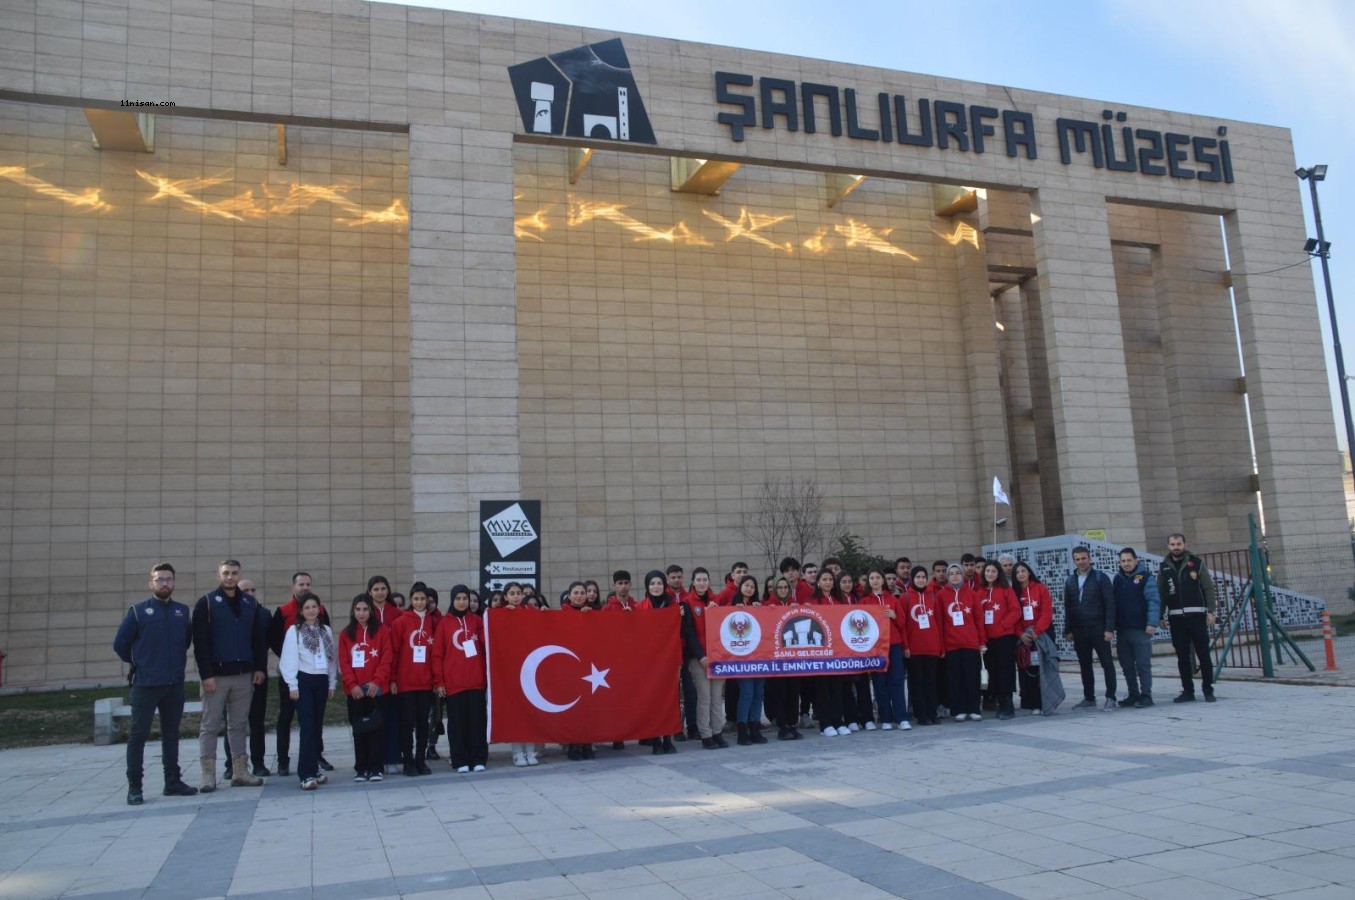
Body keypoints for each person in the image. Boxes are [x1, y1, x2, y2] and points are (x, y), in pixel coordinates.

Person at [113, 563, 199, 805]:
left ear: (174, 582)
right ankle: (135, 787)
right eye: (159, 579)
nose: (164, 583)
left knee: (171, 735)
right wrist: (141, 662)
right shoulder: (139, 612)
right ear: (151, 583)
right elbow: (120, 644)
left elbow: (185, 643)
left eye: (168, 579)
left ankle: (172, 782)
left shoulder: (182, 612)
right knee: (138, 736)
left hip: (173, 684)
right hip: (145, 685)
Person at [192, 559, 267, 793]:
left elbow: (258, 640)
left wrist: (260, 668)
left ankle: (240, 771)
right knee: (210, 725)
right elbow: (200, 643)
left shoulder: (249, 603)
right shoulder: (206, 603)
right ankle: (208, 774)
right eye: (226, 573)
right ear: (218, 575)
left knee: (238, 725)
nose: (230, 577)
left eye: (234, 573)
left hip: (244, 675)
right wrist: (206, 675)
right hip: (216, 676)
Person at [270, 572, 334, 776]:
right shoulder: (293, 629)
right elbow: (287, 657)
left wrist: (332, 682)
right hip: (301, 680)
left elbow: (331, 658)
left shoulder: (325, 631)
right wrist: (292, 684)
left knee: (315, 725)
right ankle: (303, 771)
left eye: (314, 607)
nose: (311, 610)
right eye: (307, 607)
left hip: (321, 680)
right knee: (303, 725)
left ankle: (314, 766)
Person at [338, 592, 393, 782]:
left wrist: (377, 681)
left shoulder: (382, 631)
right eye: (358, 610)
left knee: (377, 729)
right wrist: (352, 685)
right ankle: (361, 768)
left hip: (375, 690)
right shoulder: (346, 634)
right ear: (353, 612)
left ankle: (376, 768)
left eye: (365, 609)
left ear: (371, 611)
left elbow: (387, 658)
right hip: (356, 692)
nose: (361, 613)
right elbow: (344, 663)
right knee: (359, 730)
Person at [434, 584, 488, 772]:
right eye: (458, 598)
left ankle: (478, 758)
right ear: (452, 600)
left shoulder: (477, 621)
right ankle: (460, 760)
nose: (462, 602)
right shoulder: (444, 623)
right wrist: (439, 681)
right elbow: (437, 655)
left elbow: (486, 644)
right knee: (457, 724)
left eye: (465, 598)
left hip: (476, 680)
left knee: (477, 722)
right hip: (453, 683)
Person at [1158, 533, 1218, 703]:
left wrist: (1211, 611)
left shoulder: (1196, 564)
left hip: (1197, 617)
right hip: (1176, 619)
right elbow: (1161, 593)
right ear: (1168, 546)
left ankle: (1208, 690)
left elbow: (1208, 588)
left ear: (1185, 544)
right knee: (1182, 657)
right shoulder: (1164, 567)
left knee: (1203, 655)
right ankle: (1188, 691)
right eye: (1172, 544)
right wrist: (1160, 615)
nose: (1176, 547)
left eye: (1178, 543)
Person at [221, 578, 270, 779]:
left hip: (258, 673)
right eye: (245, 590)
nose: (250, 593)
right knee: (233, 721)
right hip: (233, 674)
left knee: (257, 721)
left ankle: (258, 762)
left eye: (253, 589)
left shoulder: (264, 614)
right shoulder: (227, 613)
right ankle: (231, 764)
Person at [1062, 546, 1118, 710]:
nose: (1081, 562)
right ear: (1074, 561)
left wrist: (1109, 628)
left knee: (1107, 663)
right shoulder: (1070, 580)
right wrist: (1068, 630)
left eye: (1083, 558)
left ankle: (1111, 697)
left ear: (1089, 558)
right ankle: (1089, 697)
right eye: (1077, 559)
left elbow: (1110, 604)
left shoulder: (1101, 577)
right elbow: (1068, 607)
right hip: (1079, 629)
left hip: (1098, 628)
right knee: (1084, 664)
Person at [391, 582, 437, 775]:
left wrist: (436, 680)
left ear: (428, 601)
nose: (419, 602)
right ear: (411, 600)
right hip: (406, 682)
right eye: (416, 599)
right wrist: (393, 679)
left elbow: (437, 653)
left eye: (423, 599)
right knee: (407, 723)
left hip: (426, 682)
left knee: (423, 723)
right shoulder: (400, 622)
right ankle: (408, 759)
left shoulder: (433, 622)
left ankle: (420, 759)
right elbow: (394, 652)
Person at [680, 572, 727, 750]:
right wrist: (701, 656)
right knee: (704, 697)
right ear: (693, 582)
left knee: (716, 697)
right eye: (698, 580)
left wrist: (718, 611)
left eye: (705, 580)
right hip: (698, 658)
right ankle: (705, 734)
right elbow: (689, 632)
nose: (702, 583)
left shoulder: (716, 601)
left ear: (709, 581)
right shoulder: (687, 602)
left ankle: (717, 731)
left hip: (718, 658)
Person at [1113, 548, 1161, 708]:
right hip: (1122, 630)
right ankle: (1133, 694)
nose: (1126, 564)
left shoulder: (1146, 578)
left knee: (1143, 664)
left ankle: (1146, 695)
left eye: (1129, 560)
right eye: (1123, 561)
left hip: (1141, 629)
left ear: (1136, 561)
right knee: (1126, 665)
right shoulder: (1118, 579)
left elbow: (1153, 600)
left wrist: (1152, 623)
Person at [861, 569, 909, 731]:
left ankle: (901, 717)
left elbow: (903, 623)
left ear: (883, 581)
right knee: (879, 682)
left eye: (878, 578)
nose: (875, 581)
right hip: (875, 647)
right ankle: (886, 718)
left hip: (893, 644)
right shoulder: (864, 601)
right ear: (868, 582)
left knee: (897, 680)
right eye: (871, 578)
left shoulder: (893, 599)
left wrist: (894, 616)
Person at [940, 563, 986, 721]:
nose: (954, 576)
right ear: (948, 576)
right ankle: (958, 708)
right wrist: (941, 645)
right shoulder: (941, 595)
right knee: (955, 678)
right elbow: (939, 622)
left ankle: (973, 708)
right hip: (951, 644)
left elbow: (979, 620)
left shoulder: (972, 594)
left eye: (957, 573)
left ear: (962, 575)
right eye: (951, 573)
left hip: (970, 643)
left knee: (971, 677)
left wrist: (982, 641)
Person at [643, 570, 680, 755]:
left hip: (669, 661)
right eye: (652, 584)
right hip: (648, 664)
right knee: (653, 700)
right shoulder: (641, 607)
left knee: (670, 699)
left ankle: (668, 737)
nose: (655, 587)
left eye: (659, 583)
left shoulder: (674, 605)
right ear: (647, 587)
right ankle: (655, 738)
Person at [1012, 561, 1056, 714]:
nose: (1021, 574)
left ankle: (1042, 702)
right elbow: (1013, 615)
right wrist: (1021, 634)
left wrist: (1036, 631)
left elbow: (1046, 612)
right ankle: (1028, 702)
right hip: (1023, 637)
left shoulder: (1040, 588)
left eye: (1023, 571)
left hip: (1041, 634)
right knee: (1026, 669)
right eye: (1017, 572)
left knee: (1041, 669)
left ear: (1029, 572)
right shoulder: (1014, 592)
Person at [901, 566, 942, 725]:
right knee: (917, 683)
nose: (920, 579)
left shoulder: (933, 596)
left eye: (923, 577)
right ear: (912, 579)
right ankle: (921, 714)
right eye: (917, 577)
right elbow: (903, 624)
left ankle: (932, 713)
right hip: (914, 648)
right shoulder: (905, 598)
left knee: (931, 682)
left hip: (932, 647)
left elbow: (939, 622)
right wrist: (905, 646)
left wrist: (941, 647)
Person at [979, 562, 1021, 720]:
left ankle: (1007, 703)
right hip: (987, 639)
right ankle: (995, 700)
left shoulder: (1006, 590)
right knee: (992, 671)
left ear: (999, 573)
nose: (990, 574)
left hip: (1004, 637)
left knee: (1006, 670)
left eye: (993, 571)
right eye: (987, 571)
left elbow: (1015, 610)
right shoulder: (979, 592)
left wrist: (1003, 625)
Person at [728, 575, 767, 745]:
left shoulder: (758, 606)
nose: (749, 588)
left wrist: (762, 609)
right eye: (746, 585)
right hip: (741, 657)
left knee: (758, 693)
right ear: (740, 586)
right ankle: (742, 730)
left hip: (759, 657)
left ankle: (755, 727)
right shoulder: (731, 606)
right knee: (747, 693)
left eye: (752, 586)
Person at [561, 581, 597, 761]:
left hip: (589, 667)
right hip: (570, 667)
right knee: (573, 709)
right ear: (569, 595)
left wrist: (590, 618)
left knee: (588, 708)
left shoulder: (593, 614)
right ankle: (573, 745)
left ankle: (588, 744)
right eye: (576, 592)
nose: (580, 595)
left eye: (582, 593)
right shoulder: (561, 615)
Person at [763, 577, 803, 740]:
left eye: (785, 587)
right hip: (776, 659)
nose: (783, 590)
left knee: (794, 692)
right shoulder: (767, 606)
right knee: (780, 693)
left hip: (793, 659)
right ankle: (782, 725)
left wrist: (803, 609)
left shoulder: (795, 605)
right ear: (774, 590)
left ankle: (792, 724)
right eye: (779, 587)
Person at [810, 569, 848, 737]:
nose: (828, 582)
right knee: (822, 688)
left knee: (837, 688)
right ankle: (825, 724)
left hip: (838, 651)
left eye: (830, 579)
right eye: (824, 579)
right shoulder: (812, 601)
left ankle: (838, 721)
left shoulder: (839, 600)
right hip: (820, 652)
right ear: (818, 582)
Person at [838, 571, 873, 732]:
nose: (847, 584)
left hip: (860, 647)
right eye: (843, 581)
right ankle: (851, 718)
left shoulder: (859, 598)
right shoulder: (836, 601)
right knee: (846, 686)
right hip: (843, 649)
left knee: (863, 684)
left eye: (849, 581)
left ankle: (867, 718)